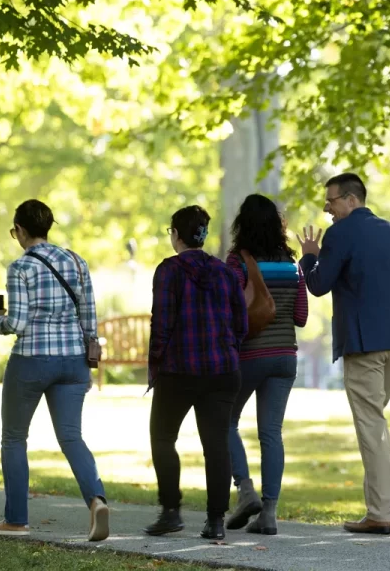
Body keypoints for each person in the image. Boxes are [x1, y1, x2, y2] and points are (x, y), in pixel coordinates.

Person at [297, 173, 390, 536]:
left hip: (365, 345)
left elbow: (319, 285)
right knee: (375, 420)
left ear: (351, 200)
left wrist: (309, 259)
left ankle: (380, 514)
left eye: (331, 201)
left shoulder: (341, 233)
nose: (326, 208)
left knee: (369, 426)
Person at [0, 199, 109, 542]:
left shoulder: (20, 267)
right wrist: (89, 348)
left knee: (13, 438)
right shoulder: (76, 261)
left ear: (21, 230)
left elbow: (19, 323)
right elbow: (89, 314)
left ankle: (16, 519)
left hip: (32, 360)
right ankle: (97, 501)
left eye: (15, 232)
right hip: (73, 362)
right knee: (71, 437)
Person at [144, 205, 248, 541]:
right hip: (223, 371)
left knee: (162, 438)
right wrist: (227, 348)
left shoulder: (168, 271)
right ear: (202, 235)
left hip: (179, 370)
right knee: (217, 446)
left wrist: (156, 365)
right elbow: (240, 323)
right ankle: (215, 521)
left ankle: (171, 511)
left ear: (176, 234)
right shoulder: (225, 273)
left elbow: (161, 323)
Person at [223, 194, 308, 535]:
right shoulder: (292, 265)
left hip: (248, 356)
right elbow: (300, 317)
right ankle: (269, 513)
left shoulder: (236, 262)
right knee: (272, 433)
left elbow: (229, 312)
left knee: (225, 422)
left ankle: (245, 492)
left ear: (242, 224)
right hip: (285, 357)